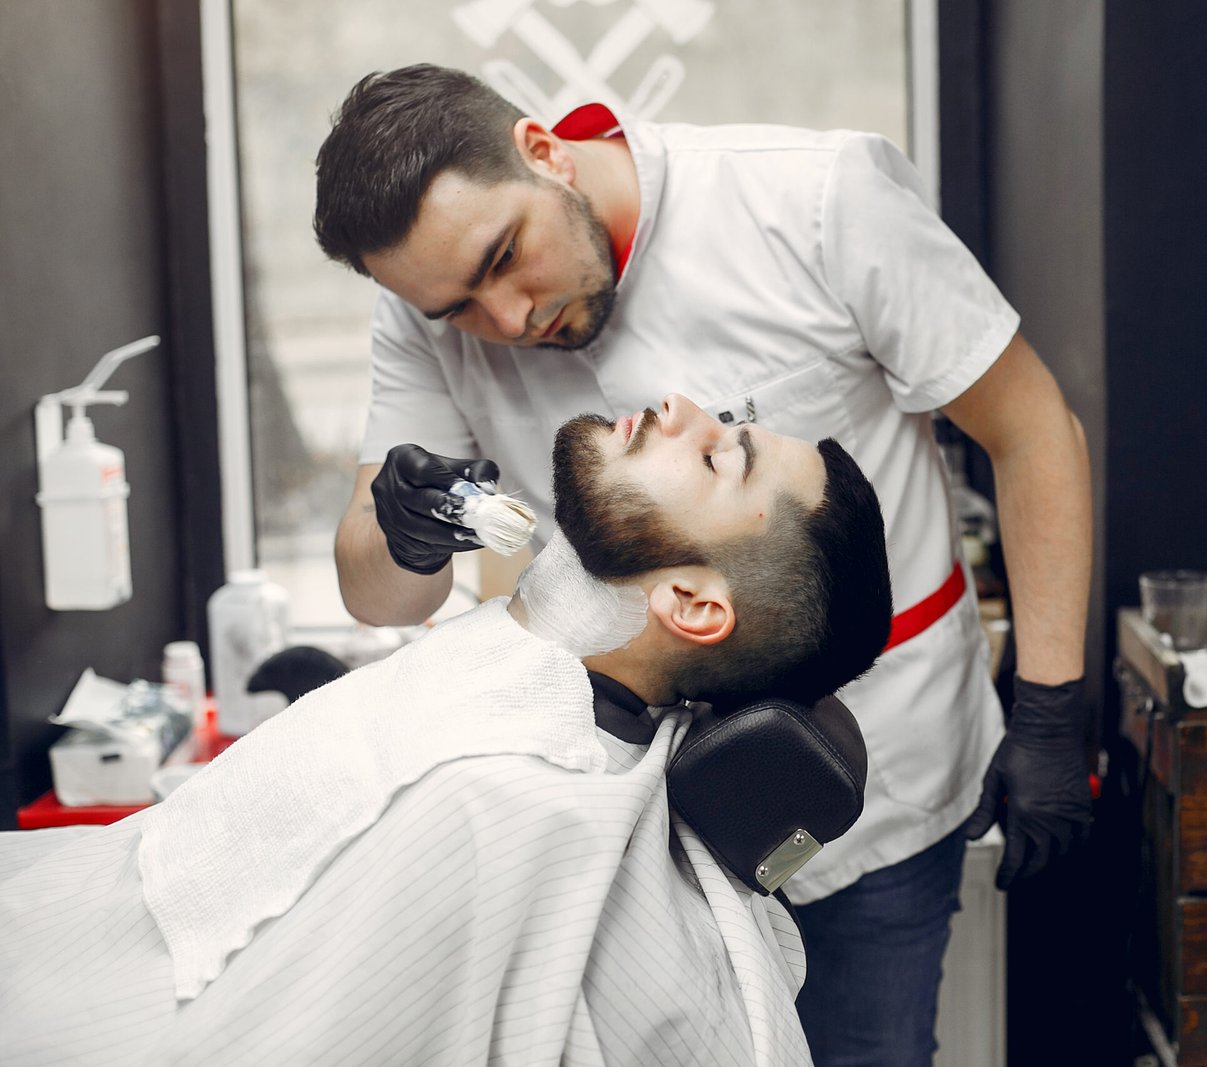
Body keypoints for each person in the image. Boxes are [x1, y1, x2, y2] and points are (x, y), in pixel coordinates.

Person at [315, 63, 1095, 1064]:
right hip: (622, 822)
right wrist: (401, 531)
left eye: (507, 256)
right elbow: (381, 593)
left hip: (871, 784)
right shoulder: (425, 307)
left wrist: (1049, 708)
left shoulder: (811, 201)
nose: (506, 321)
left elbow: (1033, 430)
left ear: (544, 150)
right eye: (456, 308)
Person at [0, 397, 893, 1066]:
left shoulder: (501, 796)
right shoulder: (521, 683)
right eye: (725, 418)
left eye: (717, 457)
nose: (677, 408)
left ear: (693, 604)